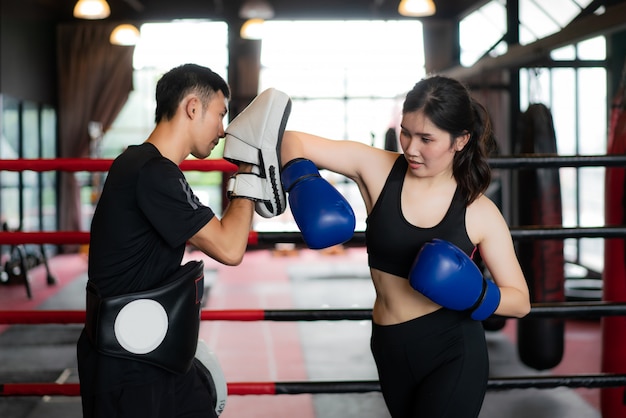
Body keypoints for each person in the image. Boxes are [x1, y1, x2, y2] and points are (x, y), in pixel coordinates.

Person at [275, 75, 531, 417]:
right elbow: (292, 140)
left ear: (460, 140)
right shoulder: (377, 169)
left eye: (426, 138)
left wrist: (476, 294)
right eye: (406, 132)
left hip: (452, 348)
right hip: (388, 346)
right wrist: (304, 180)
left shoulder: (478, 211)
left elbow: (521, 302)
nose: (411, 147)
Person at [77, 63, 264, 418]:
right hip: (128, 367)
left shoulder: (143, 164)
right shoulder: (152, 172)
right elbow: (230, 247)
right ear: (193, 107)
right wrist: (249, 172)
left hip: (153, 354)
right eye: (220, 115)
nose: (222, 131)